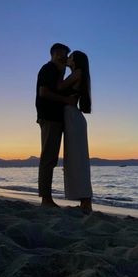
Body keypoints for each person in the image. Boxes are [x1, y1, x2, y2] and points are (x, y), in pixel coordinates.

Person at [36, 43, 76, 207]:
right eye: (60, 53)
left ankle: (47, 198)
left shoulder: (58, 74)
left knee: (51, 157)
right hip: (49, 117)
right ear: (53, 54)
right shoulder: (49, 69)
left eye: (65, 54)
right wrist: (66, 100)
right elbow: (43, 92)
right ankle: (46, 199)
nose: (64, 57)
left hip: (55, 118)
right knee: (48, 158)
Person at [57, 50, 93, 213]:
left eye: (70, 57)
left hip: (72, 116)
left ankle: (86, 201)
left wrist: (60, 66)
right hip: (72, 117)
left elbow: (59, 87)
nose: (67, 59)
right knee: (76, 159)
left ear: (76, 61)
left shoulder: (77, 72)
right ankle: (84, 201)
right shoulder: (80, 73)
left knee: (77, 159)